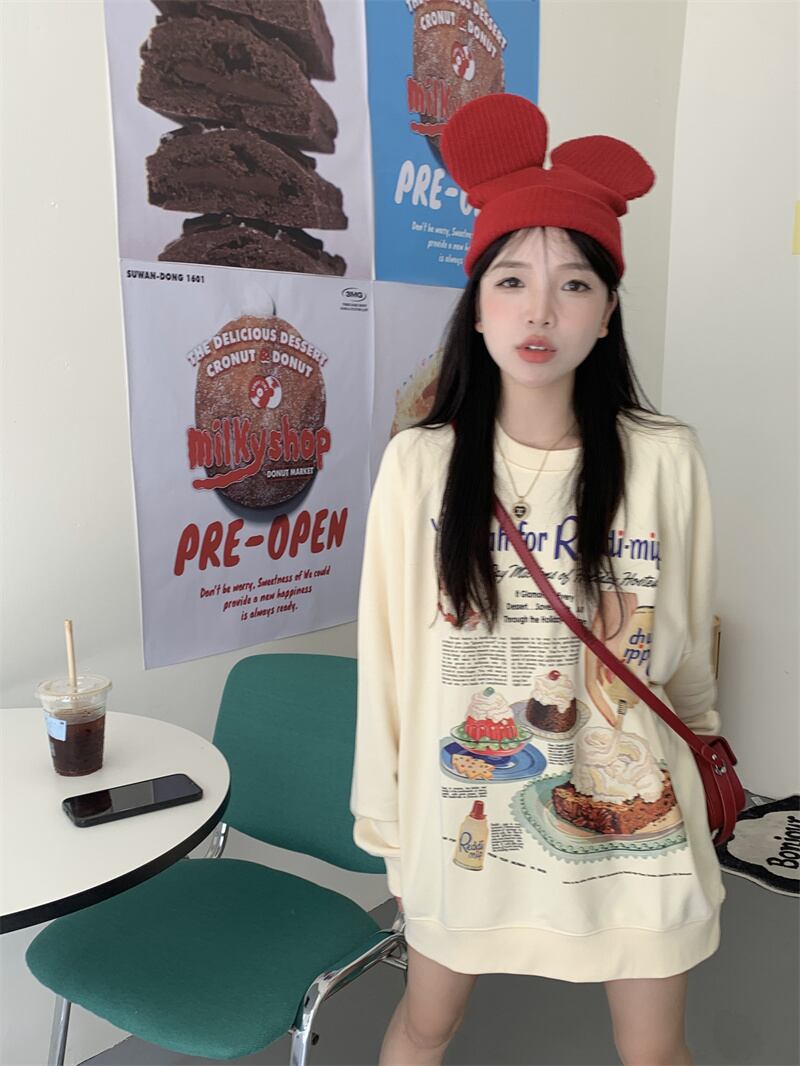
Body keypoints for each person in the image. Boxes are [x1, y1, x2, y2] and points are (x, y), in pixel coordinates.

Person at [350, 94, 724, 1066]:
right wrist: (390, 829)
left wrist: (706, 757)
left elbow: (686, 644)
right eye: (511, 279)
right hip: (462, 818)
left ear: (606, 313)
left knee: (655, 1054)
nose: (539, 311)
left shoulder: (663, 458)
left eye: (574, 284)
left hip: (638, 822)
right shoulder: (420, 465)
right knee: (424, 1026)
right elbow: (386, 664)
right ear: (476, 306)